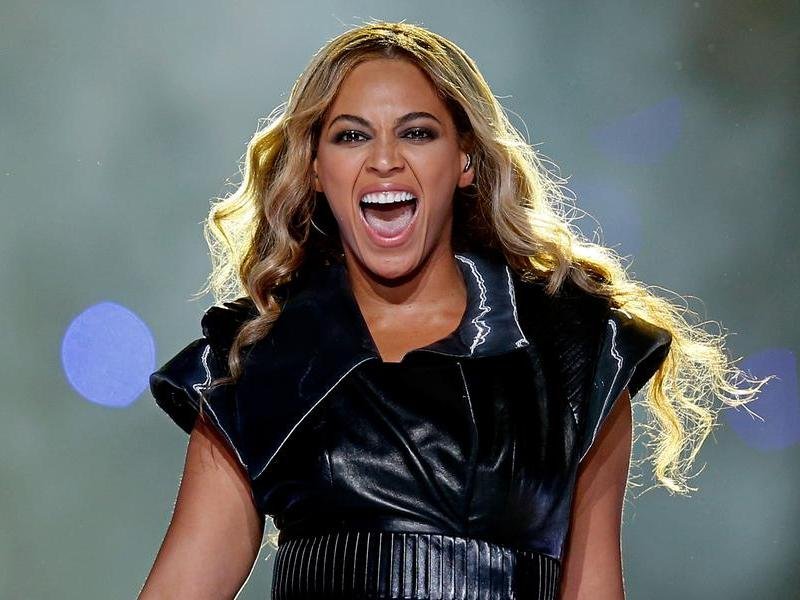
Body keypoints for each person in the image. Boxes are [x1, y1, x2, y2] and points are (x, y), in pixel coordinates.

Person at [139, 21, 766, 600]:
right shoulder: (255, 366)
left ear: (465, 159)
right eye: (352, 135)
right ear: (314, 169)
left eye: (417, 132)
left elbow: (593, 587)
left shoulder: (575, 354)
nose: (385, 159)